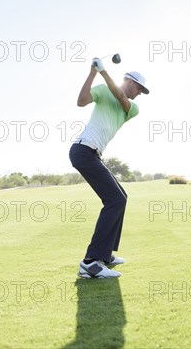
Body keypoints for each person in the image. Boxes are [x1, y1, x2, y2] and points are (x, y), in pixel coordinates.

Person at [69, 57, 149, 279]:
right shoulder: (103, 90)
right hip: (83, 151)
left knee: (120, 196)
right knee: (115, 200)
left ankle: (104, 255)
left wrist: (103, 71)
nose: (140, 93)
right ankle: (91, 263)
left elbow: (121, 97)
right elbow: (81, 101)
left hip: (92, 154)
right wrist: (93, 73)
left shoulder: (132, 108)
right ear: (130, 82)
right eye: (140, 88)